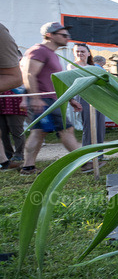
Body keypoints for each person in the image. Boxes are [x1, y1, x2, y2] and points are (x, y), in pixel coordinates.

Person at [19, 23, 82, 176]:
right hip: (44, 99)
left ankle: (28, 167)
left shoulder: (51, 53)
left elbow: (53, 81)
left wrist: (69, 99)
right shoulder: (39, 51)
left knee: (39, 132)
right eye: (63, 35)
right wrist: (35, 98)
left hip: (50, 98)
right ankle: (85, 162)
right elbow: (29, 74)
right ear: (50, 35)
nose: (68, 38)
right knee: (66, 130)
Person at [71, 43, 107, 147]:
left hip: (98, 98)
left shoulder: (93, 67)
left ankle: (99, 154)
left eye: (82, 51)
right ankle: (88, 155)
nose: (80, 53)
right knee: (89, 127)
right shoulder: (72, 66)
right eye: (77, 51)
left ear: (88, 53)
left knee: (100, 126)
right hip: (84, 97)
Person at [0, 22, 24, 169]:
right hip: (5, 101)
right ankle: (5, 159)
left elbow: (15, 77)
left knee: (16, 129)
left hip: (14, 101)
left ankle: (17, 155)